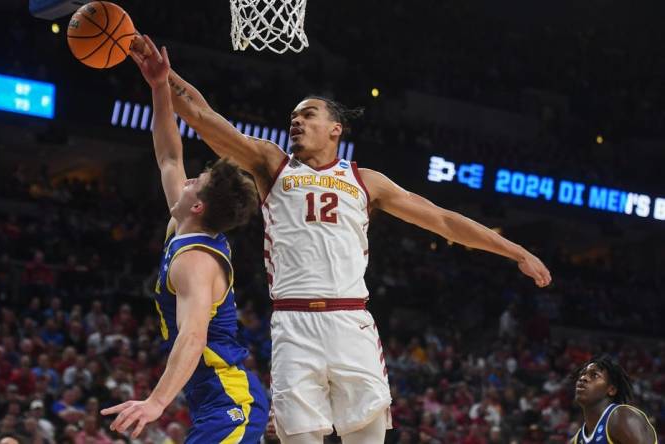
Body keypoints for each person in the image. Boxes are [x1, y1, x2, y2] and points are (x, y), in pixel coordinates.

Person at [129, 34, 552, 444]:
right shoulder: (271, 165)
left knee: (366, 438)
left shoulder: (366, 181)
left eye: (308, 114)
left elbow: (443, 221)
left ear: (336, 129)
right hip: (293, 323)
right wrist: (165, 79)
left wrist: (514, 251)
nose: (296, 120)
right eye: (293, 115)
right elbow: (203, 118)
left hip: (350, 320)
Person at [100, 40, 269, 442]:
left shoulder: (196, 261)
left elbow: (193, 337)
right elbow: (169, 157)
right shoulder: (186, 228)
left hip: (229, 405)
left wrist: (156, 403)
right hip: (217, 403)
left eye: (198, 183)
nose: (189, 180)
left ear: (198, 206)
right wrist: (159, 87)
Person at [571, 356, 657, 444]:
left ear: (611, 389)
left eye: (595, 375)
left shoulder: (622, 417)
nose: (583, 378)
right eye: (582, 374)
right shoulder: (576, 440)